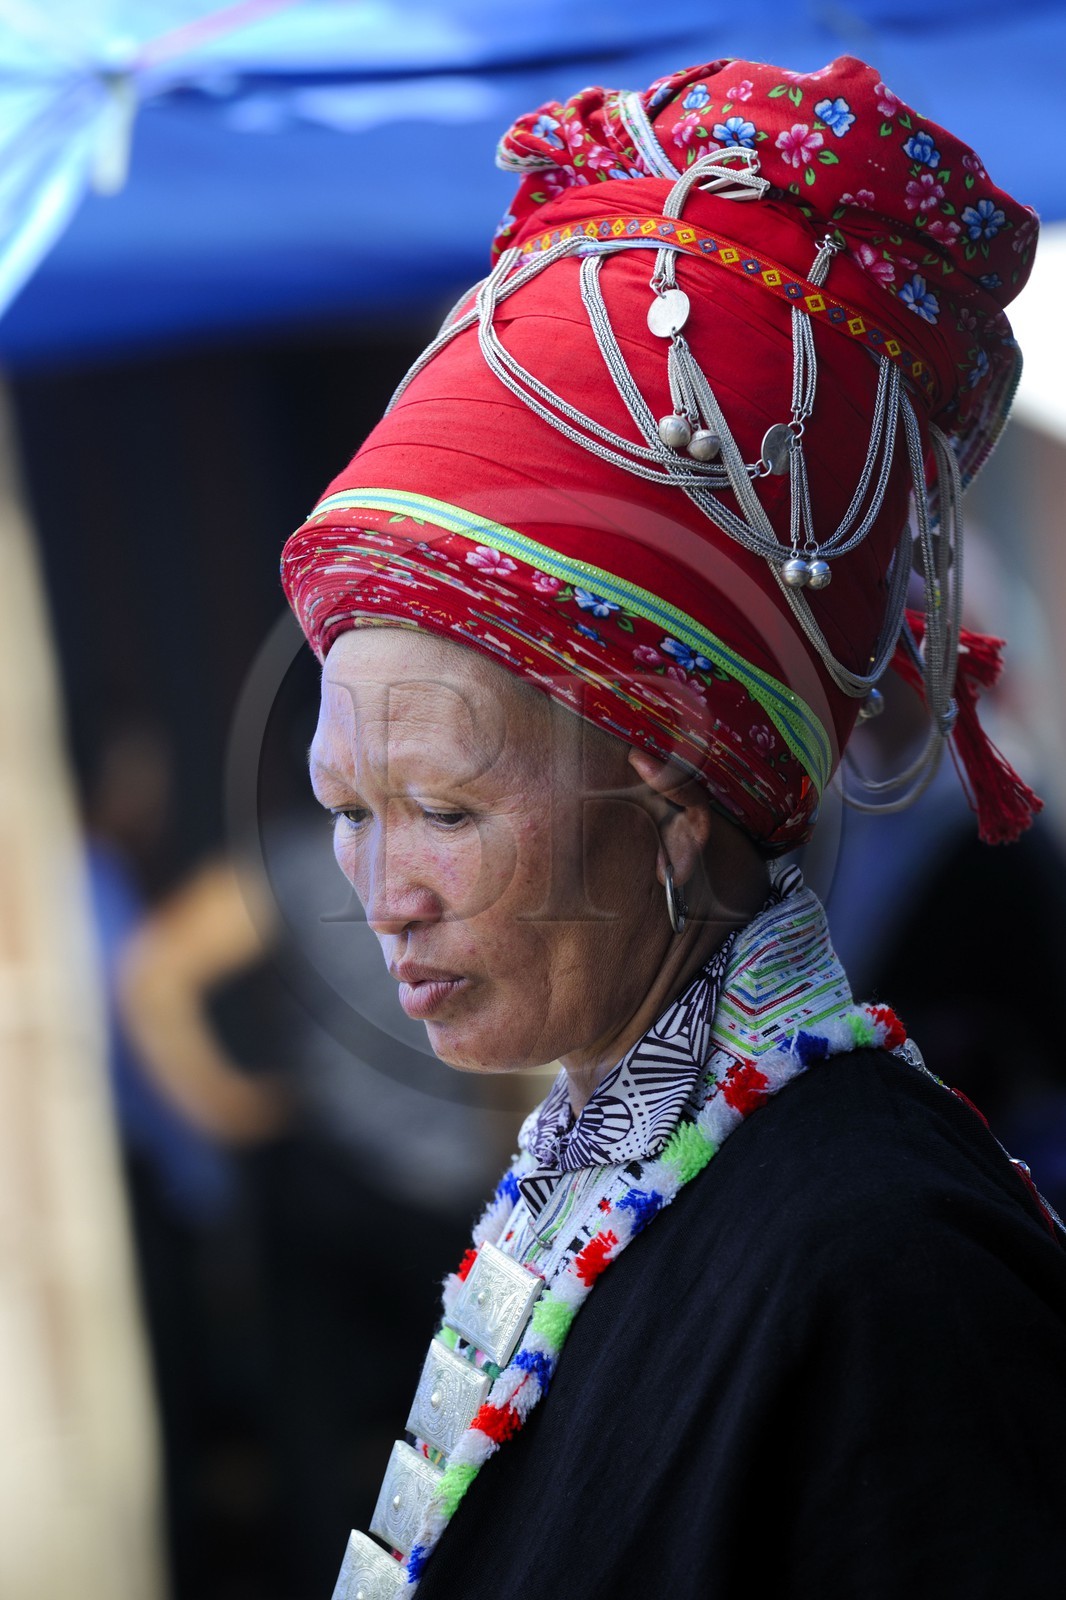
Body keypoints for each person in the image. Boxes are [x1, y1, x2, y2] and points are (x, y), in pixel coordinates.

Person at [279, 53, 1066, 1598]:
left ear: (682, 801)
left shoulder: (879, 1261)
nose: (382, 892)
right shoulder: (612, 1186)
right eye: (345, 810)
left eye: (441, 807)